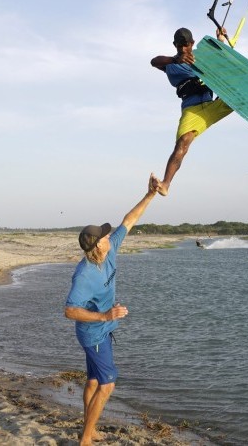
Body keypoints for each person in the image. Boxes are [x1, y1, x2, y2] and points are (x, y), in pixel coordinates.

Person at [64, 173, 158, 446]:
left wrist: (150, 194)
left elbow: (129, 220)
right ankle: (85, 440)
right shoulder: (84, 275)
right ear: (97, 245)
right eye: (104, 235)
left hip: (102, 330)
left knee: (93, 381)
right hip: (93, 334)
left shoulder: (110, 248)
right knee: (107, 384)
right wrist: (105, 316)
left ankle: (88, 431)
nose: (109, 235)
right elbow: (69, 311)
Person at [150, 27, 233, 196]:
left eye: (186, 45)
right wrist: (176, 59)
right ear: (175, 45)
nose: (183, 49)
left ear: (192, 43)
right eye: (179, 46)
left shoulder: (202, 57)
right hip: (192, 110)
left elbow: (221, 61)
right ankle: (166, 184)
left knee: (239, 99)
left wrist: (221, 40)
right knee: (183, 142)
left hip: (212, 107)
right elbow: (154, 61)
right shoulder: (171, 65)